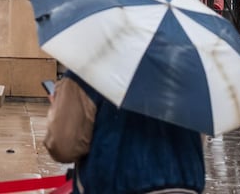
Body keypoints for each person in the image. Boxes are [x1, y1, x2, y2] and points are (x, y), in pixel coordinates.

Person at [44, 71, 205, 194]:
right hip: (184, 183)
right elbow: (199, 137)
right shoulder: (188, 70)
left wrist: (59, 110)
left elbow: (63, 146)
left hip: (116, 183)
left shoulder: (91, 65)